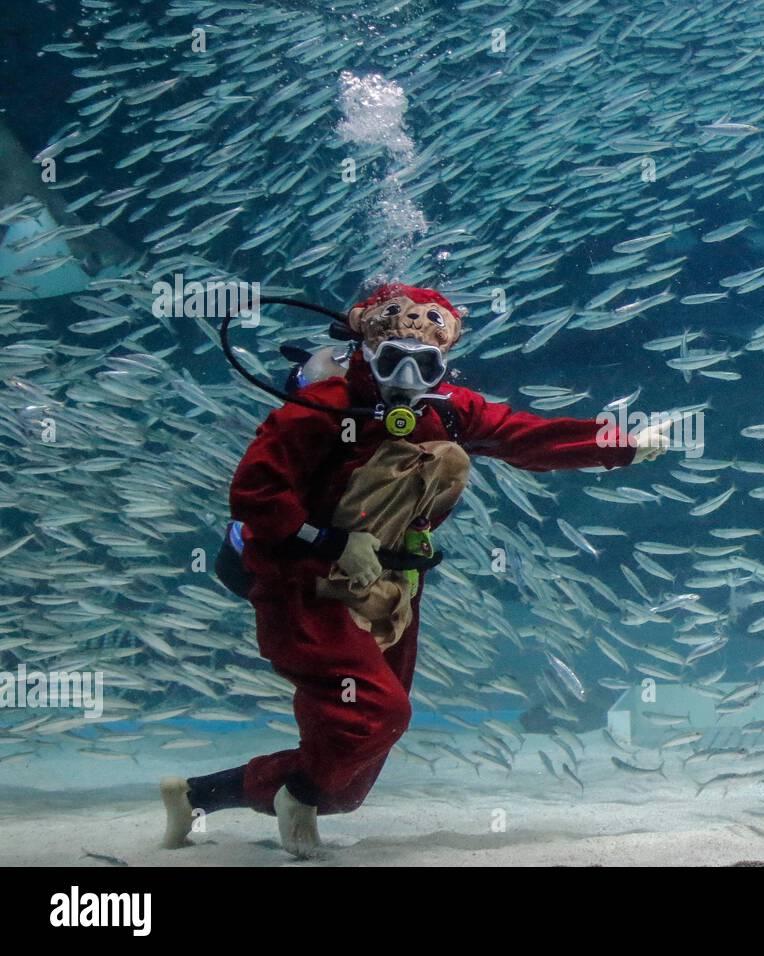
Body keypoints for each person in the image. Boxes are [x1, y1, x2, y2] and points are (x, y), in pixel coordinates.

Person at [161, 283, 671, 857]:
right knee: (377, 711)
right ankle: (297, 795)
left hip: (393, 587)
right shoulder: (320, 409)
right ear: (366, 350)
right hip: (302, 587)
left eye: (424, 362)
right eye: (391, 359)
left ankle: (199, 795)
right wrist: (329, 541)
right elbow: (255, 495)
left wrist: (620, 444)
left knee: (349, 783)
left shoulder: (449, 409)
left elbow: (523, 437)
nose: (406, 377)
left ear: (443, 361)